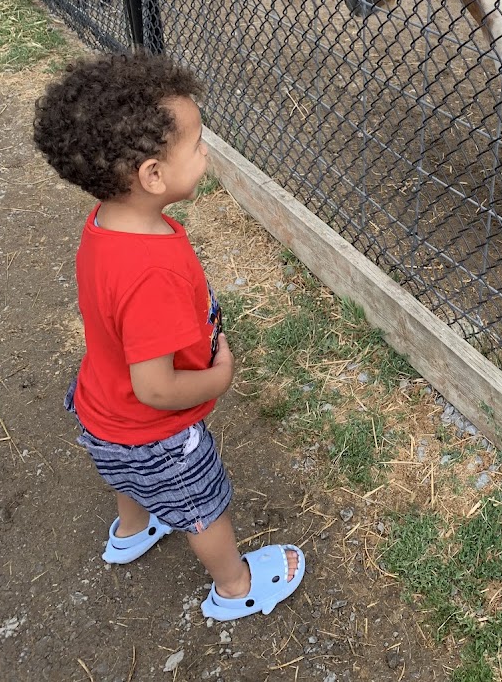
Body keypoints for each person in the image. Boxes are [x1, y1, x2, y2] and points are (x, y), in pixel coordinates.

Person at [33, 51, 305, 621]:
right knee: (202, 505)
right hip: (152, 429)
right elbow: (155, 388)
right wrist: (219, 377)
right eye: (198, 142)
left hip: (100, 407)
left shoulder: (107, 224)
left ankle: (131, 530)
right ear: (153, 176)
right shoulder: (150, 275)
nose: (206, 148)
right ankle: (235, 587)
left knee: (124, 471)